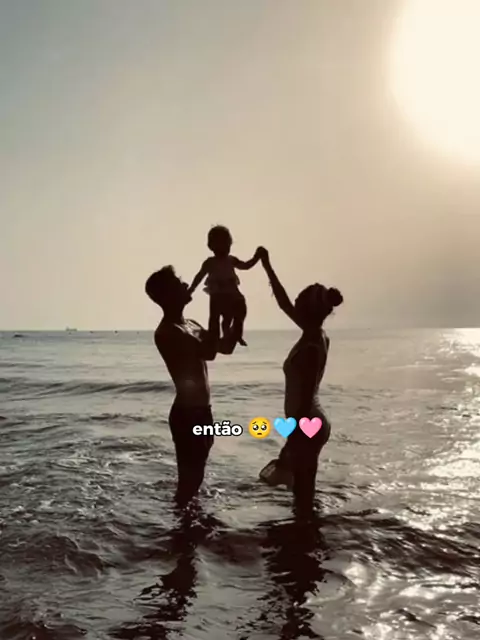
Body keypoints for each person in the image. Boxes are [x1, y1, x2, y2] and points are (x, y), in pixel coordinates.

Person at [257, 247, 343, 516]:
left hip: (307, 422)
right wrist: (267, 266)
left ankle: (307, 535)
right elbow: (283, 302)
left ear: (307, 310)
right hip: (311, 421)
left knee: (303, 494)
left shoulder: (311, 347)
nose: (293, 304)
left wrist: (292, 438)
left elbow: (304, 400)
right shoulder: (314, 333)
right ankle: (307, 534)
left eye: (299, 301)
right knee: (302, 493)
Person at [145, 266, 235, 506]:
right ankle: (181, 522)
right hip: (187, 415)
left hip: (203, 411)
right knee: (189, 480)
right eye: (179, 283)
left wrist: (234, 317)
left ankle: (188, 520)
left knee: (196, 476)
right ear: (167, 296)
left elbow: (225, 347)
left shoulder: (191, 324)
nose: (187, 285)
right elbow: (209, 352)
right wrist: (215, 305)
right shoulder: (168, 332)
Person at [188, 225, 261, 347]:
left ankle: (235, 334)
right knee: (215, 318)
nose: (226, 249)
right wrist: (191, 289)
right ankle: (215, 337)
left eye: (228, 246)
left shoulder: (231, 260)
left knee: (239, 311)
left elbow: (246, 266)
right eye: (222, 246)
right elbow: (199, 276)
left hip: (233, 295)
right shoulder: (210, 262)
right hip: (218, 294)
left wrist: (256, 257)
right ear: (212, 247)